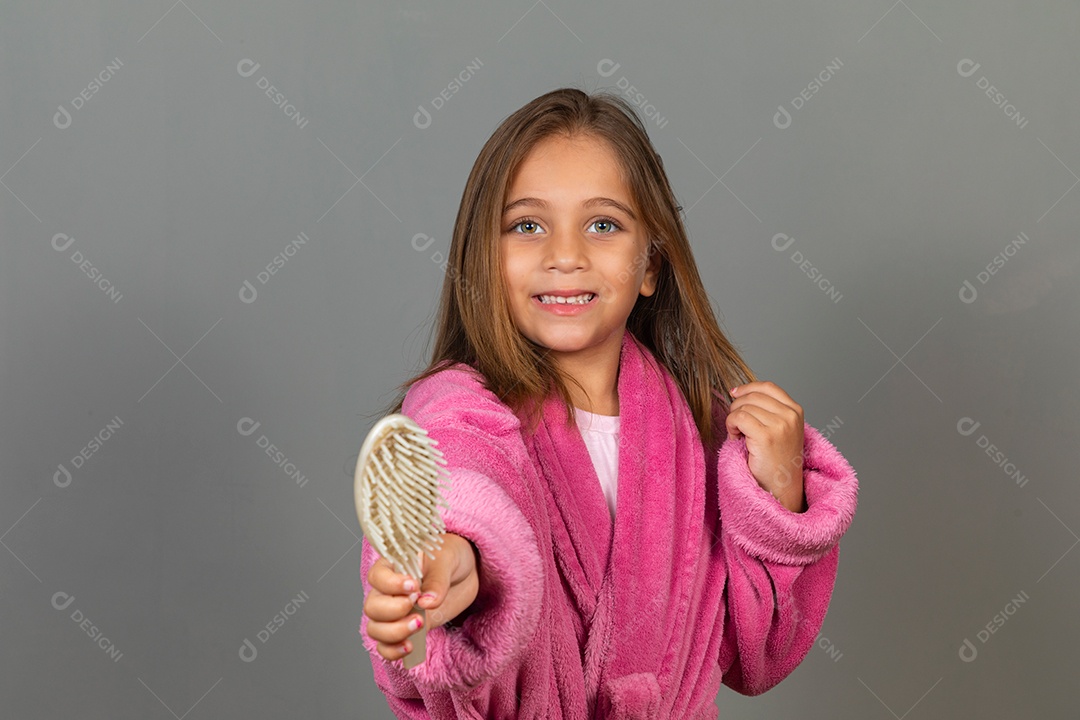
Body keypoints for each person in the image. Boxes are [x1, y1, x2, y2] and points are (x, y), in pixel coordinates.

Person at [359, 87, 859, 719]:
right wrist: (456, 558)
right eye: (527, 226)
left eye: (603, 225)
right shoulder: (458, 406)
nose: (565, 256)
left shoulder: (704, 433)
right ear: (484, 259)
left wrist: (781, 490)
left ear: (650, 264)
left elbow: (756, 654)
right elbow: (461, 479)